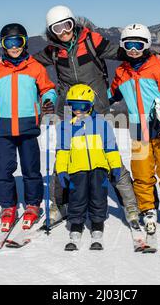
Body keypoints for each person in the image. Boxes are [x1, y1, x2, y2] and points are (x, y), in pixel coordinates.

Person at [0, 6, 155, 228]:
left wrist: (151, 56)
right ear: (51, 31)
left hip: (98, 108)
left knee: (110, 158)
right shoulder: (53, 51)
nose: (64, 32)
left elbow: (121, 53)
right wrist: (2, 63)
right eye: (57, 28)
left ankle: (130, 207)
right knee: (64, 159)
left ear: (73, 23)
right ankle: (60, 206)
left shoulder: (91, 40)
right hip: (69, 112)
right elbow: (28, 62)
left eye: (67, 25)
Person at [0, 23, 57, 233]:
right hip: (4, 129)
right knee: (3, 169)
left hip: (28, 126)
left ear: (25, 42)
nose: (14, 47)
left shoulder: (35, 67)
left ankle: (32, 205)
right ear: (3, 45)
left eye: (18, 42)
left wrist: (48, 101)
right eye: (9, 42)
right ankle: (8, 207)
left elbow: (48, 89)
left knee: (31, 170)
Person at [109, 23, 160, 237]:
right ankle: (148, 208)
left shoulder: (155, 67)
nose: (133, 49)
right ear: (123, 46)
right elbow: (113, 93)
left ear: (147, 45)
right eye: (129, 44)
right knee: (142, 174)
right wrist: (94, 100)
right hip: (137, 128)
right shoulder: (121, 72)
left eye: (138, 45)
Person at [55, 84, 122, 251]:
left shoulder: (102, 124)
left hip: (99, 168)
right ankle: (76, 225)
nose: (78, 110)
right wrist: (62, 170)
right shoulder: (65, 126)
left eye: (82, 106)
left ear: (90, 105)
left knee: (98, 195)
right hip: (76, 168)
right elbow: (62, 151)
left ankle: (97, 224)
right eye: (74, 106)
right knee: (77, 197)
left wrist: (115, 166)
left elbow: (110, 147)